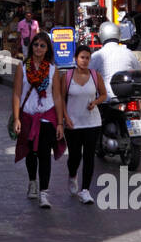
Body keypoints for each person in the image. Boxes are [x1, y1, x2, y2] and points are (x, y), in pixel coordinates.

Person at [12, 31, 65, 208]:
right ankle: (32, 181)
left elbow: (57, 96)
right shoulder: (22, 67)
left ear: (47, 48)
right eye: (36, 45)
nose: (39, 48)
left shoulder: (52, 70)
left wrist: (59, 122)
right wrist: (17, 118)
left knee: (44, 154)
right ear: (31, 47)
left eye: (42, 45)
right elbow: (17, 93)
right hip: (27, 115)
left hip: (47, 116)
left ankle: (44, 193)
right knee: (30, 152)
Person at [61, 45, 108, 205]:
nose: (85, 60)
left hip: (92, 122)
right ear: (76, 59)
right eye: (82, 57)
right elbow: (60, 99)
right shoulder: (67, 76)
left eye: (88, 58)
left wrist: (95, 102)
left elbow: (103, 94)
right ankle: (72, 174)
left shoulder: (95, 75)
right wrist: (65, 118)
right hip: (73, 123)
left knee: (89, 156)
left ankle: (85, 190)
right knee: (75, 156)